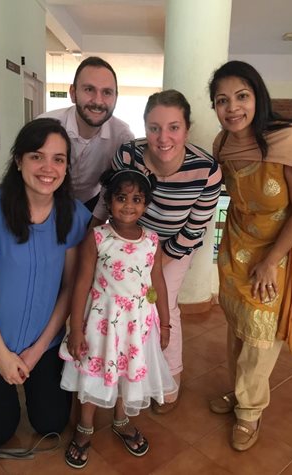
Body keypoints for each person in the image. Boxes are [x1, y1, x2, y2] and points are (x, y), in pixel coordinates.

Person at [0, 118, 91, 449]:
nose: (48, 168)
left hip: (42, 342)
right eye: (36, 156)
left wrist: (35, 350)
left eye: (58, 159)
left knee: (51, 424)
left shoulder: (71, 214)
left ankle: (16, 381)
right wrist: (3, 355)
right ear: (18, 161)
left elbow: (70, 288)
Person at [93, 89, 222, 414]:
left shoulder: (207, 170)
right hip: (127, 238)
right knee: (117, 302)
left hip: (173, 247)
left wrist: (153, 263)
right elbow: (107, 200)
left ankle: (169, 375)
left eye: (173, 127)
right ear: (145, 127)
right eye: (154, 127)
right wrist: (92, 239)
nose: (163, 137)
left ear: (186, 129)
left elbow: (194, 229)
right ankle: (119, 368)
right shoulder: (128, 154)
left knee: (163, 306)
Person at [208, 60, 292, 451]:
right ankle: (239, 392)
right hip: (235, 247)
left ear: (258, 97)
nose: (232, 107)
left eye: (241, 96)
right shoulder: (222, 144)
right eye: (222, 100)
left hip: (276, 253)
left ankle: (250, 412)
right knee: (237, 328)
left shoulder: (291, 138)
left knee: (260, 338)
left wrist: (269, 261)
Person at [59, 167, 177, 469]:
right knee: (93, 370)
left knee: (127, 370)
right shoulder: (98, 237)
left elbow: (158, 283)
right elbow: (82, 283)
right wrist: (75, 328)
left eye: (137, 199)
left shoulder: (152, 240)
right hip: (101, 322)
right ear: (109, 201)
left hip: (137, 325)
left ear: (146, 204)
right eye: (121, 198)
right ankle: (85, 426)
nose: (129, 205)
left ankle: (121, 419)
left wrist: (164, 323)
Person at [38, 56, 134, 211]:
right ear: (73, 93)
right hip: (45, 199)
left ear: (116, 97)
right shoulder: (45, 125)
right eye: (89, 89)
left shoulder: (123, 137)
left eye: (107, 92)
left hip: (90, 203)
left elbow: (117, 186)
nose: (98, 101)